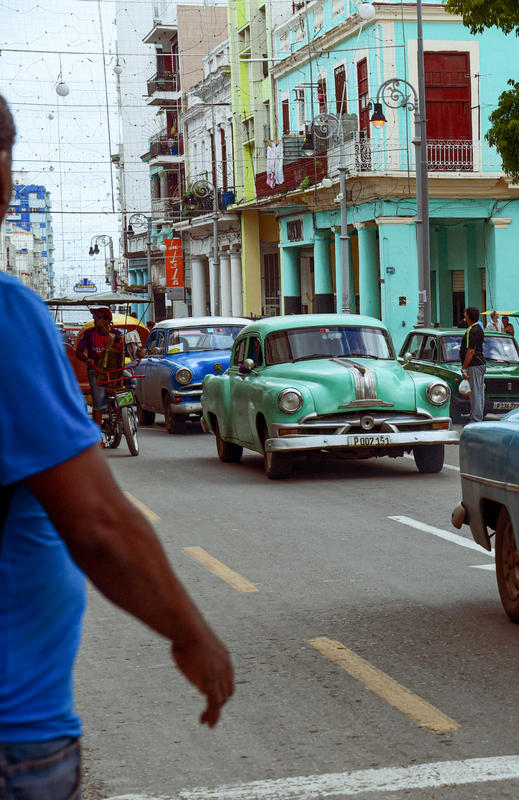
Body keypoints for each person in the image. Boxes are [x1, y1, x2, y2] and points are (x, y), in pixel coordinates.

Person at [0, 93, 233, 799]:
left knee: (110, 395)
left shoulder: (110, 339)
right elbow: (98, 526)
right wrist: (191, 632)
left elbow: (108, 364)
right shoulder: (14, 317)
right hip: (15, 735)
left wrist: (112, 370)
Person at [75, 307, 125, 426]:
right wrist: (87, 359)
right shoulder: (89, 334)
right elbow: (78, 352)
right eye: (94, 317)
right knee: (98, 398)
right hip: (96, 370)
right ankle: (98, 435)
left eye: (98, 317)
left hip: (114, 371)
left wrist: (139, 352)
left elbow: (126, 351)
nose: (95, 320)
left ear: (107, 321)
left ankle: (125, 411)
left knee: (132, 381)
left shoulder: (117, 334)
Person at [461, 306, 487, 423]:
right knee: (479, 393)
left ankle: (476, 420)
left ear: (468, 316)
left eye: (465, 314)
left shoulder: (471, 330)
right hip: (480, 364)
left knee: (475, 394)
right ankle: (477, 417)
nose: (464, 317)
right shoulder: (479, 328)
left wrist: (464, 368)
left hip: (474, 365)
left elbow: (470, 351)